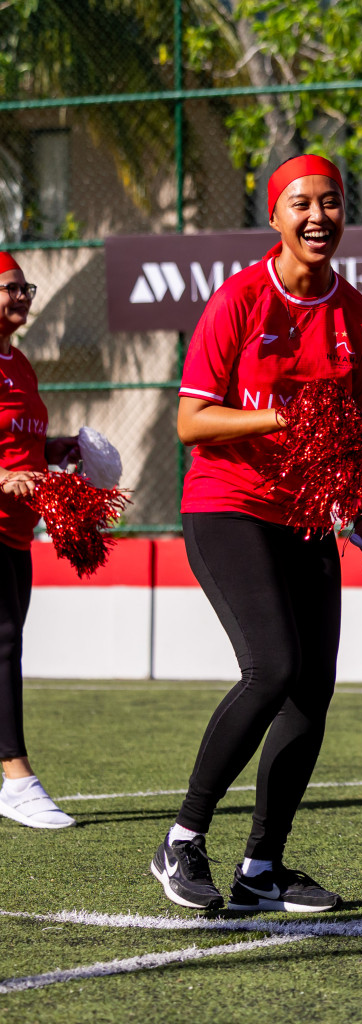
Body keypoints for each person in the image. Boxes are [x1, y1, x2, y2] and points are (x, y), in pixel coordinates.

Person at [152, 155, 362, 912]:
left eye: (332, 202)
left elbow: (348, 431)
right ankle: (182, 841)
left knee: (313, 691)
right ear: (275, 216)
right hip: (227, 504)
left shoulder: (360, 317)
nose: (318, 216)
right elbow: (191, 423)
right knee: (273, 668)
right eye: (301, 203)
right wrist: (280, 415)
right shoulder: (239, 300)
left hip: (308, 514)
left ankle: (262, 868)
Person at [0, 251, 82, 831]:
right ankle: (16, 778)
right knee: (4, 645)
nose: (21, 296)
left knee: (7, 645)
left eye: (25, 287)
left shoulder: (20, 364)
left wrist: (55, 451)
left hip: (16, 531)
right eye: (8, 287)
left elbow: (21, 441)